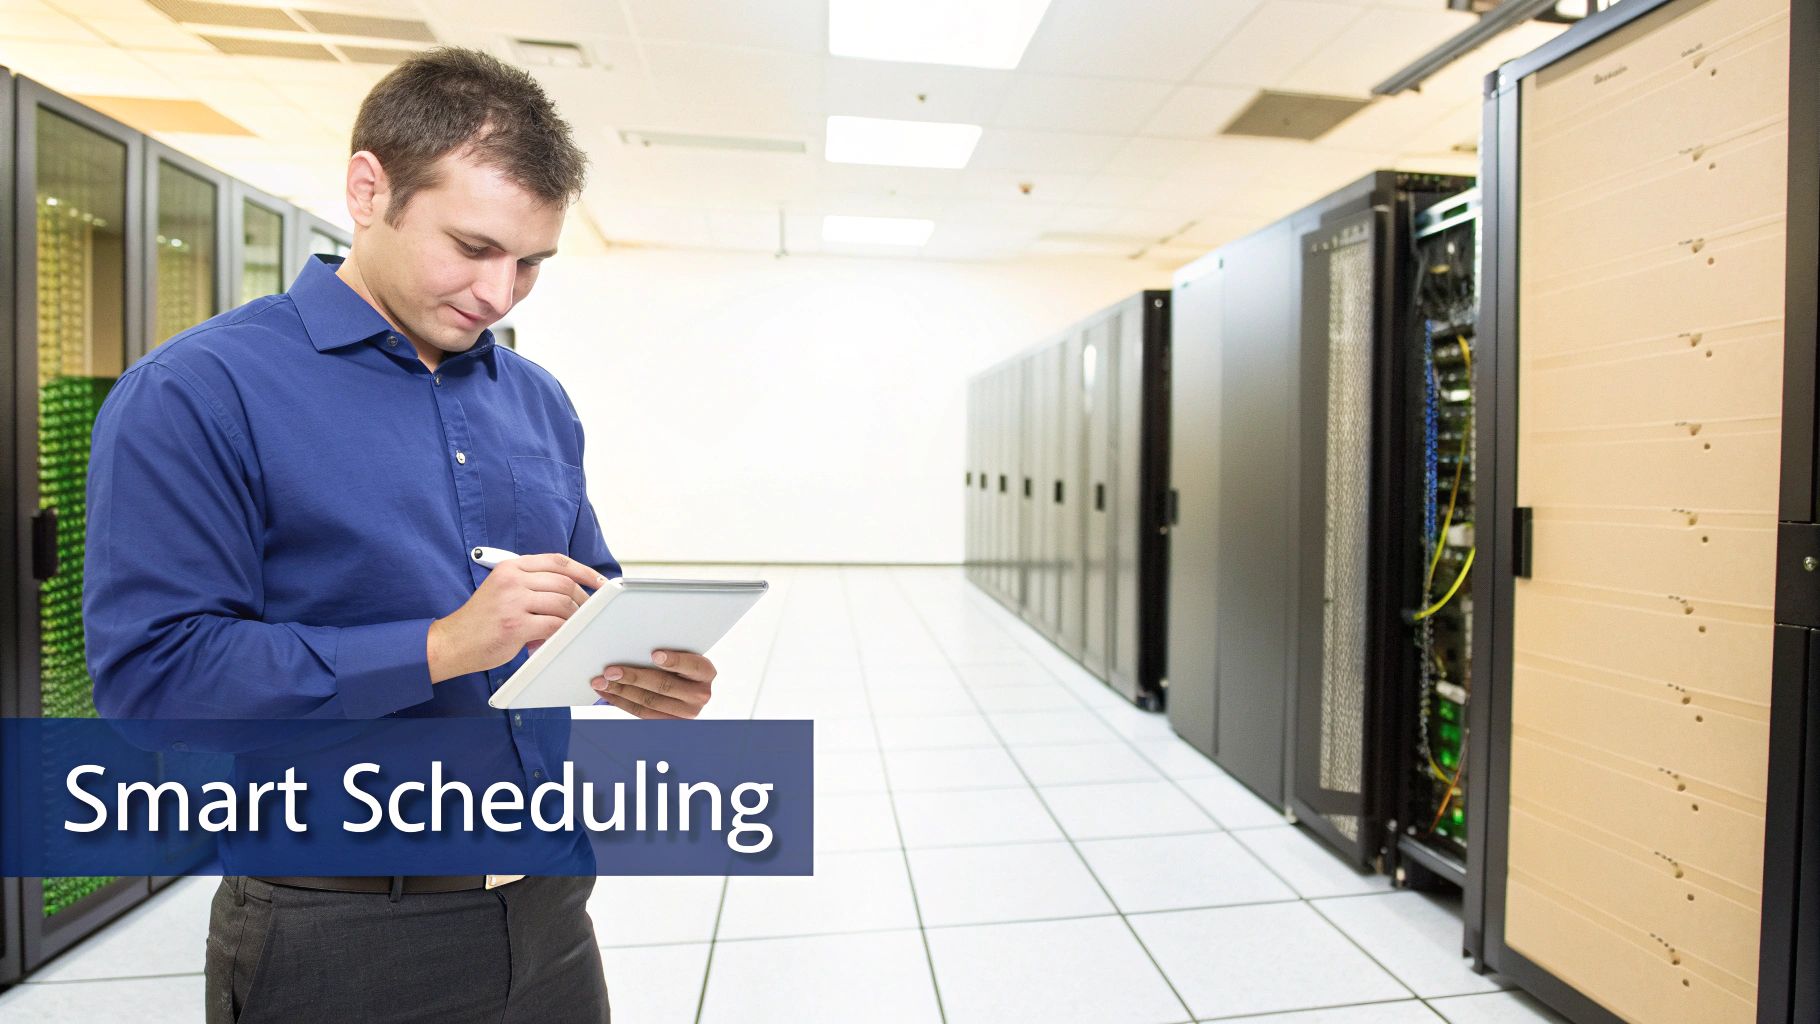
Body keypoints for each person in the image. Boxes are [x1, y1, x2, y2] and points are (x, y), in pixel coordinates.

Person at [81, 47, 711, 1023]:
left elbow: (582, 595)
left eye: (531, 262)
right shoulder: (198, 394)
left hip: (548, 912)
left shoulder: (535, 401)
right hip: (339, 935)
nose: (500, 294)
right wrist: (440, 646)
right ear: (368, 189)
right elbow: (152, 683)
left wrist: (636, 663)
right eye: (470, 246)